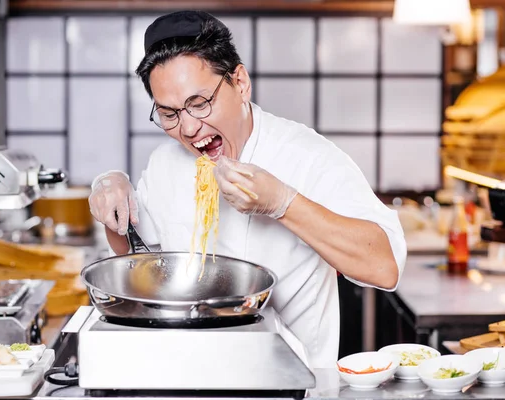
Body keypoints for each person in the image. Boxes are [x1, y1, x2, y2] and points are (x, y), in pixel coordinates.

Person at [89, 10, 407, 368]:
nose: (189, 129)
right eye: (169, 113)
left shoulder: (306, 155)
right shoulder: (166, 162)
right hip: (189, 373)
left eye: (199, 103)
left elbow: (385, 266)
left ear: (240, 82)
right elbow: (138, 264)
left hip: (291, 380)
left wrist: (283, 203)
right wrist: (112, 198)